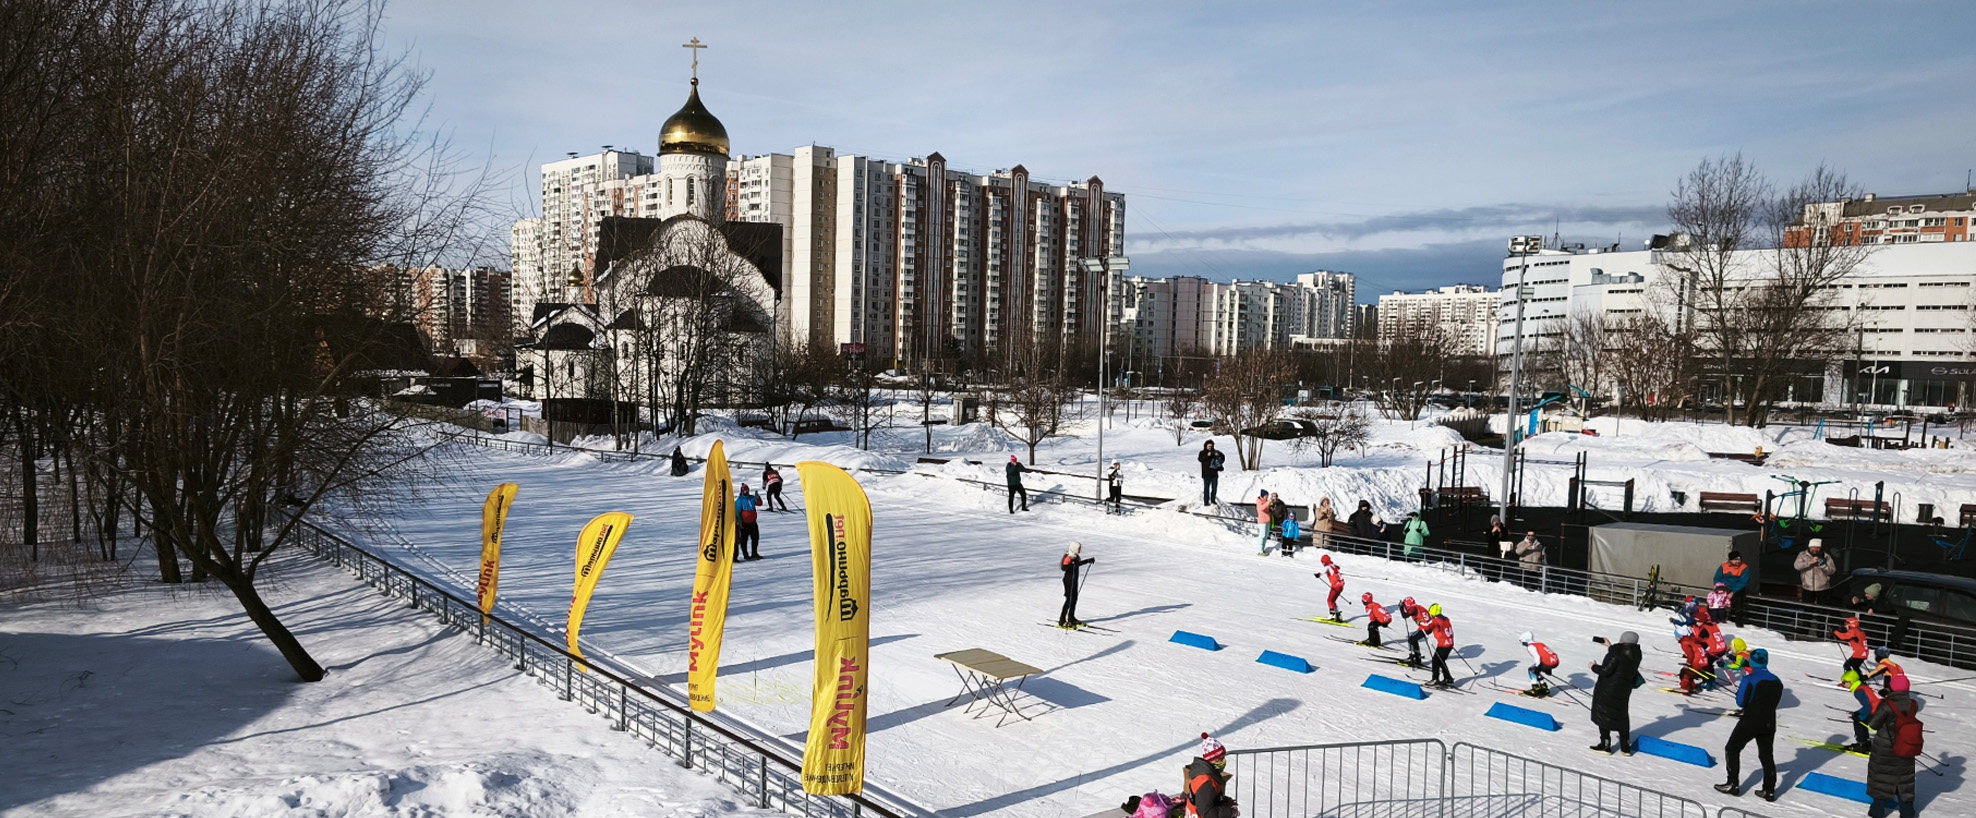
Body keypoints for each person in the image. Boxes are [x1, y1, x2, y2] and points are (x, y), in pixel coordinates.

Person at [1714, 648, 1781, 801]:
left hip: (1751, 720)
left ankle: (1732, 784)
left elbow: (1741, 702)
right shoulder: (1777, 681)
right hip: (1769, 721)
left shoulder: (1749, 679)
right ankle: (1769, 790)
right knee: (1766, 755)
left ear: (1752, 661)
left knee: (1732, 748)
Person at [1865, 675, 1922, 818]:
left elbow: (1873, 725)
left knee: (1882, 779)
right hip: (1906, 746)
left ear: (1892, 688)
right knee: (1904, 781)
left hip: (1885, 749)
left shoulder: (1886, 704)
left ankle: (1877, 811)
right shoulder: (1914, 704)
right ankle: (1907, 812)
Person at [1589, 631, 1642, 755]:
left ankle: (1605, 745)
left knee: (1603, 713)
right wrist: (1610, 646)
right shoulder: (1636, 654)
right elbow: (1623, 656)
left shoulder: (1616, 653)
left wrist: (1593, 667)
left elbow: (1605, 671)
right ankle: (1625, 747)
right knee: (1621, 714)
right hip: (1624, 689)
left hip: (1608, 689)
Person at [1184, 733, 1237, 818]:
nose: (1224, 761)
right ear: (1213, 759)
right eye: (1221, 758)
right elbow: (1207, 812)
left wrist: (1224, 800)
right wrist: (1229, 812)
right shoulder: (1206, 782)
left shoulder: (1206, 775)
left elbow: (1207, 799)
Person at [1057, 541, 1096, 627]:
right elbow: (1063, 568)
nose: (1080, 550)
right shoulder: (1068, 557)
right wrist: (1070, 564)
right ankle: (1062, 620)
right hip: (1068, 581)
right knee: (1069, 600)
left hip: (1074, 581)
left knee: (1074, 599)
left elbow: (1078, 564)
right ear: (1074, 549)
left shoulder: (1075, 557)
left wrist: (1088, 561)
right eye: (1079, 548)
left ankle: (1071, 618)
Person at [1844, 669, 1882, 754]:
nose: (1844, 684)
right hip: (1883, 708)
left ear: (1851, 681)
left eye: (1845, 682)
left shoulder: (1859, 691)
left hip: (1879, 710)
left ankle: (1862, 744)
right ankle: (1867, 743)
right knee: (1861, 719)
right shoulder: (1862, 687)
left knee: (1858, 720)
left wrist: (1859, 715)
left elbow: (1868, 706)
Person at [1795, 538, 1837, 606]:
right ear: (1809, 547)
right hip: (1807, 587)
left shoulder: (1826, 556)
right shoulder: (1802, 555)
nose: (1815, 549)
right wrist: (1810, 562)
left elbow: (1832, 571)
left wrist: (1823, 566)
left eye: (1817, 548)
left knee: (1822, 609)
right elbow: (1797, 566)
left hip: (1823, 588)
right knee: (1807, 608)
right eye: (1813, 547)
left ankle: (1820, 616)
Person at [1714, 551, 1752, 624]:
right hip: (1724, 588)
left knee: (1739, 602)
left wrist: (1733, 592)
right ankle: (1720, 619)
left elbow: (1743, 582)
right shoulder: (1723, 566)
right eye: (1735, 560)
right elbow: (1717, 578)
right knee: (1719, 602)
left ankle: (1737, 621)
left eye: (1739, 559)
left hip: (1737, 589)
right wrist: (1719, 588)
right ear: (1730, 560)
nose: (1737, 561)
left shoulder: (1744, 568)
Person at [1423, 603, 1456, 688]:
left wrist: (1420, 623)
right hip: (1450, 643)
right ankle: (1448, 678)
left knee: (1435, 660)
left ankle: (1435, 679)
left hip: (1443, 644)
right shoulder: (1446, 619)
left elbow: (1428, 626)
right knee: (1441, 660)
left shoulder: (1436, 620)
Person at [1519, 632, 1560, 697]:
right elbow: (1548, 652)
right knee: (1536, 670)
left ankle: (1535, 689)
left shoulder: (1530, 646)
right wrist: (1548, 668)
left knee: (1532, 670)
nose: (1522, 644)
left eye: (1522, 642)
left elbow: (1537, 657)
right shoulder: (1539, 643)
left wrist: (1537, 667)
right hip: (1555, 661)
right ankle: (1544, 688)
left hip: (1547, 662)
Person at [1677, 625, 1711, 695]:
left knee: (1685, 673)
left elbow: (1690, 655)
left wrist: (1688, 663)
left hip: (1698, 661)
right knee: (1691, 673)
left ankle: (1685, 688)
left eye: (1677, 635)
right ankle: (1692, 686)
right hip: (1703, 660)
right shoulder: (1692, 639)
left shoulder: (1684, 642)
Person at [1399, 596, 1431, 667]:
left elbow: (1405, 615)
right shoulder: (1419, 607)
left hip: (1424, 628)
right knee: (1413, 638)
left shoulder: (1413, 608)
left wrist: (1401, 608)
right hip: (1427, 627)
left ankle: (1414, 657)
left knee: (1411, 639)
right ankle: (1417, 657)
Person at [735, 484, 761, 560]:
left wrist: (758, 498)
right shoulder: (739, 500)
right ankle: (745, 555)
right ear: (742, 491)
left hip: (753, 522)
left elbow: (759, 504)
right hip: (744, 523)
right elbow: (737, 512)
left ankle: (754, 553)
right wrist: (739, 521)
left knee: (755, 538)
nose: (746, 491)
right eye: (744, 490)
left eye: (747, 489)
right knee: (744, 540)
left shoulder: (752, 498)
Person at [1315, 555, 1345, 620]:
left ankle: (1332, 614)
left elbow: (1324, 571)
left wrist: (1318, 574)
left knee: (1329, 600)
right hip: (1341, 585)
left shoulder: (1328, 567)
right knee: (1333, 600)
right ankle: (1338, 615)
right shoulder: (1333, 565)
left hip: (1336, 586)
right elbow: (1337, 567)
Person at [1197, 441, 1224, 506]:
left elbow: (1222, 458)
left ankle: (1213, 500)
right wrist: (1207, 455)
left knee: (1214, 488)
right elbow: (1200, 459)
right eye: (1209, 446)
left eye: (1211, 446)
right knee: (1206, 488)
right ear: (1206, 446)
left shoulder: (1215, 452)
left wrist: (1218, 456)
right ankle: (1206, 502)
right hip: (1206, 474)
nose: (1210, 447)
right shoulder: (1202, 452)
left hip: (1214, 474)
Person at [1255, 490, 1273, 556]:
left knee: (1265, 536)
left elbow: (1267, 509)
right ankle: (1259, 551)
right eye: (1266, 496)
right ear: (1263, 496)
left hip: (1267, 521)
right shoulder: (1259, 502)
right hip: (1262, 521)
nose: (1267, 497)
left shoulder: (1266, 502)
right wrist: (1268, 502)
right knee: (1262, 535)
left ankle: (1262, 549)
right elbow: (1262, 508)